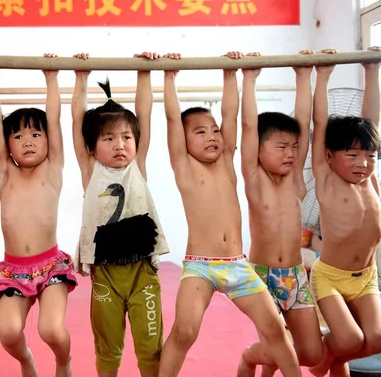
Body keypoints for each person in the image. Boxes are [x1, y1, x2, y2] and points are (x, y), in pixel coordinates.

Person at [157, 51, 302, 377]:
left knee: (276, 330)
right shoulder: (183, 165)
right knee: (184, 332)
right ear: (183, 140)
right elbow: (171, 119)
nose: (211, 136)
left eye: (214, 130)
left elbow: (232, 115)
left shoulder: (226, 161)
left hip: (237, 264)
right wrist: (169, 77)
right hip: (201, 266)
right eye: (200, 132)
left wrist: (231, 74)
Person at [72, 52, 170, 377]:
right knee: (108, 348)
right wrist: (80, 76)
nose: (120, 145)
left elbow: (144, 112)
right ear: (90, 147)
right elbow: (76, 121)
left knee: (150, 347)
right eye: (109, 138)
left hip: (142, 272)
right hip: (107, 276)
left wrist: (145, 71)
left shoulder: (136, 168)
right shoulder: (92, 171)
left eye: (127, 137)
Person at [0, 53, 77, 377]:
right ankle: (26, 361)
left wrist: (51, 77)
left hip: (51, 266)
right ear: (7, 146)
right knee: (8, 332)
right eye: (18, 136)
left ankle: (63, 360)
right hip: (14, 270)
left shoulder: (52, 170)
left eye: (36, 135)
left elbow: (54, 117)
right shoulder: (4, 174)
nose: (28, 141)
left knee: (50, 330)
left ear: (49, 142)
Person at [237, 51, 323, 376]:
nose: (290, 154)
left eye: (294, 147)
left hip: (296, 277)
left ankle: (253, 356)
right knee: (281, 349)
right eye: (280, 147)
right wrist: (248, 79)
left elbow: (304, 121)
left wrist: (304, 76)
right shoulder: (255, 179)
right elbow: (247, 126)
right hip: (262, 277)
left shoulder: (296, 180)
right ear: (258, 150)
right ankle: (251, 357)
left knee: (312, 353)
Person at [308, 47, 381, 377]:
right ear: (328, 155)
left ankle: (332, 358)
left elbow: (371, 121)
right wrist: (322, 75)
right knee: (350, 339)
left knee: (376, 338)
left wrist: (371, 70)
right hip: (331, 279)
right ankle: (328, 354)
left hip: (366, 277)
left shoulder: (370, 179)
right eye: (351, 155)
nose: (362, 163)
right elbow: (320, 122)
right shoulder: (326, 179)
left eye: (369, 156)